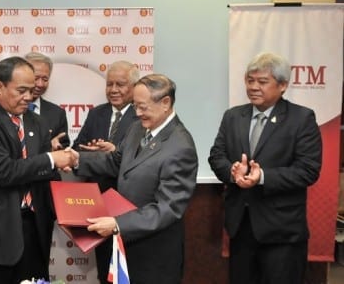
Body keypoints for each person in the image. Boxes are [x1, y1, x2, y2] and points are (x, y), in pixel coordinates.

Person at [0, 56, 77, 284]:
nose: (29, 97)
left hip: (34, 227)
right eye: (21, 90)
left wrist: (67, 214)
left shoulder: (38, 122)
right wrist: (51, 159)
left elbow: (45, 174)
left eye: (31, 90)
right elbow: (5, 171)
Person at [71, 73, 198, 284]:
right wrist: (77, 160)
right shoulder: (137, 128)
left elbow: (168, 208)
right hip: (125, 245)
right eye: (135, 105)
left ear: (165, 103)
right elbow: (116, 161)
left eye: (143, 107)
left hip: (154, 253)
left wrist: (117, 224)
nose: (137, 113)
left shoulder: (180, 146)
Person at [208, 52, 322, 284]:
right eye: (250, 80)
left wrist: (263, 177)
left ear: (282, 86)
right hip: (241, 226)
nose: (253, 87)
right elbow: (216, 155)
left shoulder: (301, 119)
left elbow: (308, 170)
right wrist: (231, 171)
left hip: (282, 232)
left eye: (262, 81)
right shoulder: (233, 117)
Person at [71, 60, 139, 284]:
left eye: (121, 84)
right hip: (98, 204)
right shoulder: (96, 114)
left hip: (130, 205)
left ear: (134, 87)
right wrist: (90, 152)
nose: (114, 90)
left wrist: (115, 152)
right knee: (104, 268)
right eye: (110, 84)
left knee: (129, 269)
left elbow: (143, 158)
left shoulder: (143, 117)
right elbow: (78, 147)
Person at [24, 52, 70, 150]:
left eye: (45, 79)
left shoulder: (57, 113)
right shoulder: (9, 108)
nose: (40, 84)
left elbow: (64, 149)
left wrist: (56, 148)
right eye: (36, 78)